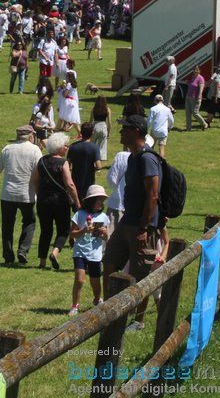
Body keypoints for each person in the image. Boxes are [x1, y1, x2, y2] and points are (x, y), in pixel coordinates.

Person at [105, 115, 161, 329]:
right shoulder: (132, 158)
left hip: (141, 226)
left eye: (125, 128)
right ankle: (111, 309)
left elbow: (153, 195)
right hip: (127, 220)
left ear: (136, 131)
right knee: (109, 258)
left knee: (141, 273)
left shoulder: (147, 158)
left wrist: (145, 228)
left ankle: (138, 320)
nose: (120, 132)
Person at [0, 125, 42, 265]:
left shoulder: (8, 149)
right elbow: (39, 173)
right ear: (31, 136)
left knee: (7, 225)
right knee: (29, 222)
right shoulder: (35, 150)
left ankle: (8, 256)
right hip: (27, 194)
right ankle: (23, 250)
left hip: (8, 194)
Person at [31, 132, 80, 271]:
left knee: (45, 231)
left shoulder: (41, 161)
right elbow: (70, 184)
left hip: (43, 201)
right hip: (60, 201)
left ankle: (42, 262)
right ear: (59, 148)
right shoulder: (63, 163)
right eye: (66, 145)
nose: (67, 148)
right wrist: (76, 201)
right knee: (63, 230)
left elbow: (35, 180)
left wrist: (39, 194)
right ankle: (54, 253)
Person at [68, 184, 110, 316]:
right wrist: (84, 230)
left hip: (95, 254)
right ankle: (75, 306)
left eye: (103, 201)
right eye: (99, 200)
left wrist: (104, 233)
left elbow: (106, 238)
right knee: (80, 279)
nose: (101, 203)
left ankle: (97, 300)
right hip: (80, 251)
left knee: (95, 281)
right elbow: (72, 233)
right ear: (92, 200)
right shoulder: (80, 214)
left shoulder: (103, 217)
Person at [67, 123, 102, 199]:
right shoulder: (94, 147)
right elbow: (99, 166)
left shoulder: (73, 147)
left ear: (81, 132)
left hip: (75, 180)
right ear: (92, 133)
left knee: (76, 202)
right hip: (89, 181)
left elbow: (67, 164)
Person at [57, 59, 81, 136]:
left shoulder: (69, 84)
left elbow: (64, 94)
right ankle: (78, 133)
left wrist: (63, 88)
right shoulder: (73, 84)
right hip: (72, 100)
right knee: (71, 118)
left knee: (63, 116)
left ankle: (57, 130)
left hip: (68, 102)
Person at [185, 65, 209, 130]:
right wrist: (188, 83)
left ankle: (205, 124)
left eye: (197, 70)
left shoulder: (200, 78)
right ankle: (188, 128)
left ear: (199, 71)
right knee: (187, 113)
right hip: (188, 96)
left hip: (195, 98)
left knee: (195, 113)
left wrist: (199, 96)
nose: (195, 71)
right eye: (194, 69)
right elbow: (191, 86)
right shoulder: (192, 77)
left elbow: (201, 88)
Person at [90, 96, 112, 161]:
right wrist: (109, 132)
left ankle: (91, 157)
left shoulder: (93, 109)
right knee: (102, 146)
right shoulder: (108, 109)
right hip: (103, 126)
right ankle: (99, 161)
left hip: (95, 126)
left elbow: (90, 121)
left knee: (92, 144)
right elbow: (109, 123)